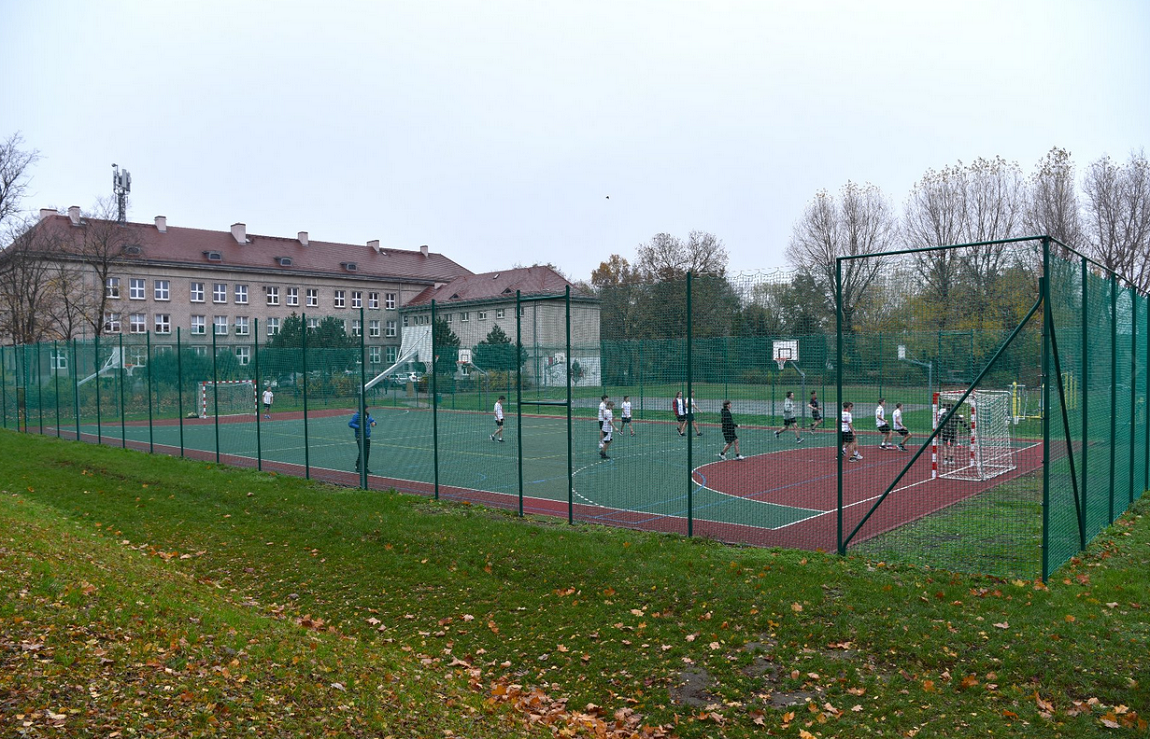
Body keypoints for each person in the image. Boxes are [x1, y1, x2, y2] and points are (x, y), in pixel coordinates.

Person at [349, 406, 376, 474]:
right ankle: (358, 466)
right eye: (366, 408)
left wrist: (374, 423)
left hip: (367, 436)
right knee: (363, 451)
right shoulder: (357, 416)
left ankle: (365, 467)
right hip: (360, 436)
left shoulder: (367, 415)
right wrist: (359, 427)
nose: (368, 409)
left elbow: (372, 420)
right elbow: (350, 424)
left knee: (367, 452)